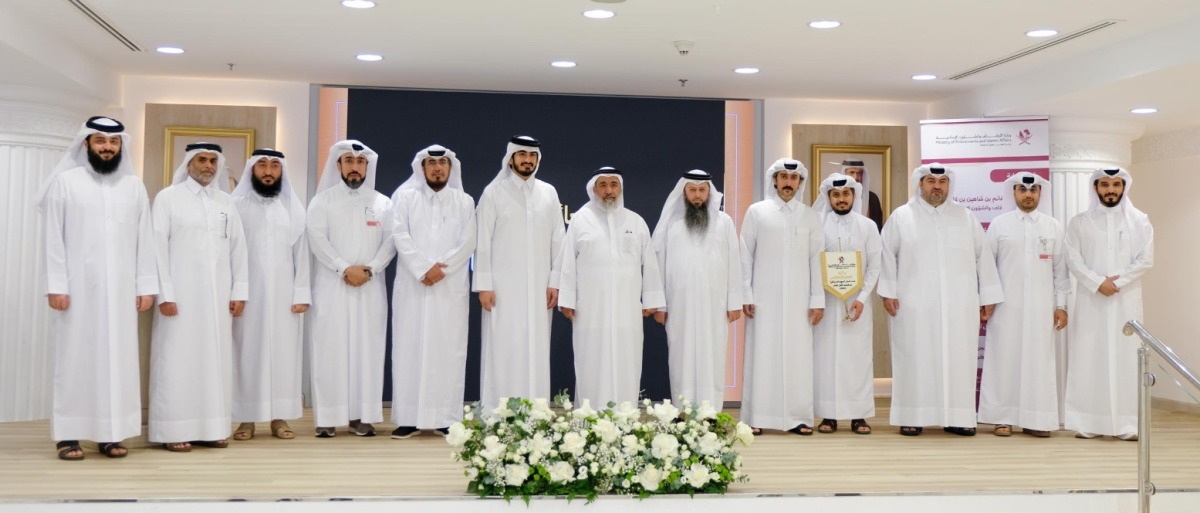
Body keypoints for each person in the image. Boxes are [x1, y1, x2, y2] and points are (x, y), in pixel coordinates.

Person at [36, 116, 157, 460]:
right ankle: (69, 436)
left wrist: (145, 285)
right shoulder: (66, 183)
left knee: (117, 360)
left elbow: (143, 240)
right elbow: (53, 240)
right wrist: (56, 285)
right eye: (100, 141)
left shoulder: (133, 186)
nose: (107, 147)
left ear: (121, 146)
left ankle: (111, 433)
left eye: (114, 142)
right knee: (75, 359)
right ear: (86, 144)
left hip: (121, 292)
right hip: (77, 291)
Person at [878, 163, 1003, 436]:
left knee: (959, 358)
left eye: (942, 181)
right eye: (931, 181)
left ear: (949, 185)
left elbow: (983, 258)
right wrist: (888, 291)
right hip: (913, 305)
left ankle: (957, 417)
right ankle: (913, 415)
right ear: (920, 184)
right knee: (914, 356)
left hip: (960, 304)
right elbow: (887, 255)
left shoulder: (965, 217)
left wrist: (989, 296)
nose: (937, 186)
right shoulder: (902, 217)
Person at [150, 142, 249, 452]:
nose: (208, 166)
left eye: (212, 161)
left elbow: (239, 250)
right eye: (202, 160)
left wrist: (239, 292)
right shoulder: (168, 199)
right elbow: (157, 250)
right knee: (177, 360)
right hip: (178, 298)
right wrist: (165, 293)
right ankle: (172, 430)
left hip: (218, 299)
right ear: (189, 164)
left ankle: (211, 428)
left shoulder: (226, 202)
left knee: (215, 361)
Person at [306, 140, 396, 438]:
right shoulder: (322, 201)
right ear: (338, 166)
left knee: (367, 350)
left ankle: (362, 417)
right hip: (332, 287)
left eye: (360, 162)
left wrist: (370, 268)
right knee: (330, 350)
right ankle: (328, 417)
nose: (354, 167)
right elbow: (317, 240)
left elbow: (391, 242)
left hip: (370, 287)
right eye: (348, 161)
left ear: (367, 167)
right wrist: (344, 267)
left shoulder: (383, 203)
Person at [389, 145, 477, 439]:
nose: (438, 168)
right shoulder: (405, 198)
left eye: (443, 163)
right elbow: (399, 234)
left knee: (447, 351)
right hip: (414, 285)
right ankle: (409, 418)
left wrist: (442, 269)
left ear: (451, 169)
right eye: (432, 163)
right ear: (422, 168)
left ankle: (445, 417)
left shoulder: (464, 202)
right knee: (409, 348)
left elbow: (468, 241)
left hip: (449, 288)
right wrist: (423, 267)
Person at [558, 167, 664, 407]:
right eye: (603, 185)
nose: (609, 191)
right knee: (590, 360)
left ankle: (625, 416)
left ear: (621, 189)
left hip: (627, 309)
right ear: (594, 189)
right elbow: (566, 263)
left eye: (613, 185)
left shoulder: (636, 221)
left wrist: (651, 301)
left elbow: (650, 264)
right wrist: (567, 299)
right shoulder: (580, 221)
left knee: (627, 360)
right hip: (590, 309)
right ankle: (589, 416)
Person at [473, 136, 565, 407]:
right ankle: (498, 410)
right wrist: (484, 285)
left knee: (536, 347)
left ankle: (535, 410)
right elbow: (482, 242)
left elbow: (559, 240)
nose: (527, 160)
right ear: (511, 158)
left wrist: (555, 282)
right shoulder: (494, 193)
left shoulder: (549, 192)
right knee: (503, 347)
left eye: (532, 155)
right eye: (522, 154)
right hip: (502, 290)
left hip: (539, 289)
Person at [978, 172, 1070, 438]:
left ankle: (1037, 419)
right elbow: (987, 265)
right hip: (1005, 307)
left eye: (1033, 190)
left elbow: (1061, 271)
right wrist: (988, 299)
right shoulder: (999, 224)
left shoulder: (1053, 226)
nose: (1028, 194)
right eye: (1023, 189)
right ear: (1014, 192)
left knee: (1039, 362)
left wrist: (1061, 305)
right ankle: (1002, 418)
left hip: (1042, 308)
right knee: (1002, 360)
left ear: (1040, 193)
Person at [1064, 167, 1153, 441]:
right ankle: (1088, 422)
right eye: (1105, 184)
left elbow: (1146, 259)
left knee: (1127, 359)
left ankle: (1128, 424)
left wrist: (1118, 282)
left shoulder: (1140, 221)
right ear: (1096, 188)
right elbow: (1072, 258)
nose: (1111, 190)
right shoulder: (1078, 222)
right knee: (1089, 356)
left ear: (1124, 187)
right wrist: (1096, 282)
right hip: (1091, 301)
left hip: (1125, 301)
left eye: (1116, 184)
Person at [229, 149, 310, 441]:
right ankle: (246, 420)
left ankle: (279, 418)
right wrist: (233, 292)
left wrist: (302, 293)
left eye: (274, 166)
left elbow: (301, 253)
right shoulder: (235, 204)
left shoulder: (292, 206)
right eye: (262, 165)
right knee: (246, 352)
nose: (268, 171)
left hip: (284, 295)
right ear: (252, 169)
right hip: (247, 294)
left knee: (284, 355)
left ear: (281, 172)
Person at [739, 159, 824, 435]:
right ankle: (757, 417)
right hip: (763, 300)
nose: (788, 182)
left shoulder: (811, 216)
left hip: (800, 302)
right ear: (774, 180)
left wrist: (817, 299)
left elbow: (816, 260)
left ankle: (798, 417)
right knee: (762, 354)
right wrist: (746, 293)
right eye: (783, 177)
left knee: (799, 358)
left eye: (794, 177)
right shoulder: (757, 212)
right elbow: (745, 255)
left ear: (800, 182)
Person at [652, 169, 742, 410]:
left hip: (715, 305)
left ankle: (710, 410)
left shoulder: (724, 222)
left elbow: (735, 262)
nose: (697, 195)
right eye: (692, 190)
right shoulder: (670, 224)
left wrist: (735, 303)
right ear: (684, 192)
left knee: (712, 356)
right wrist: (660, 304)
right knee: (681, 357)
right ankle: (683, 411)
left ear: (709, 192)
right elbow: (657, 265)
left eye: (702, 190)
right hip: (679, 304)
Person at [811, 173, 882, 435]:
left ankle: (858, 416)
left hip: (858, 305)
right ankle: (828, 416)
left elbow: (876, 264)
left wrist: (863, 298)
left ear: (854, 195)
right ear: (829, 197)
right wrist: (817, 298)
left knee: (858, 359)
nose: (841, 199)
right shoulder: (816, 224)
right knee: (826, 359)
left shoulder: (867, 226)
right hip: (826, 305)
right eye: (836, 195)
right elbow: (810, 262)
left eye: (846, 194)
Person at [837, 159, 884, 231]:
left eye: (859, 173)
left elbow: (878, 227)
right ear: (844, 174)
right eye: (851, 172)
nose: (856, 177)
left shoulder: (872, 198)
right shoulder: (835, 197)